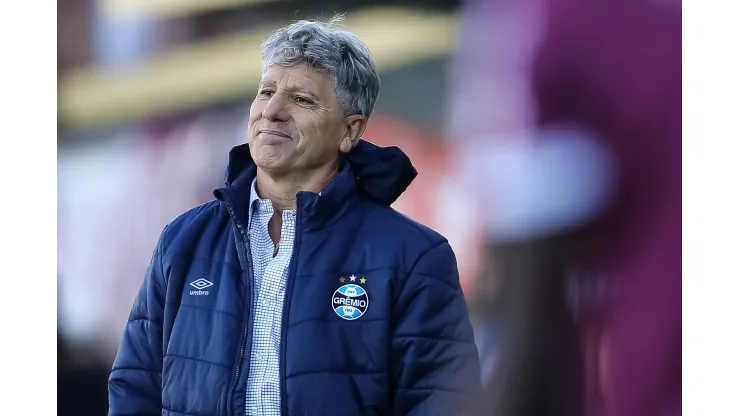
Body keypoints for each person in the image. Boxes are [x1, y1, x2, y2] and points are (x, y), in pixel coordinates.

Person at [108, 16, 481, 416]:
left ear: (349, 131)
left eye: (301, 100)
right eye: (266, 91)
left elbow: (445, 401)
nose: (272, 111)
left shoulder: (415, 257)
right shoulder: (182, 242)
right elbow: (135, 387)